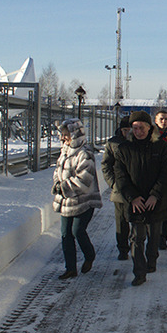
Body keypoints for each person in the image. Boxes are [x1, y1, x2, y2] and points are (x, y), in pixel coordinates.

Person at [113, 111, 167, 286]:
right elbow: (120, 177)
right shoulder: (124, 149)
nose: (139, 131)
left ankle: (151, 260)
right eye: (135, 128)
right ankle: (139, 272)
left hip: (155, 201)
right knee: (136, 237)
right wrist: (132, 197)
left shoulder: (160, 147)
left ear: (150, 128)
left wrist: (155, 194)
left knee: (154, 235)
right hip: (135, 202)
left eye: (142, 127)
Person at [52, 118, 103, 279]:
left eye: (66, 135)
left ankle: (89, 255)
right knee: (65, 234)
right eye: (63, 135)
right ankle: (70, 268)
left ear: (75, 135)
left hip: (84, 201)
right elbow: (57, 171)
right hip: (67, 201)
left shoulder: (84, 153)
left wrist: (64, 187)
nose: (63, 138)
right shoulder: (64, 151)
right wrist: (57, 184)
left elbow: (84, 179)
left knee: (77, 231)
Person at [100, 116, 132, 260]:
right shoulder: (113, 143)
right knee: (121, 220)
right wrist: (112, 183)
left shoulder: (139, 141)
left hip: (137, 187)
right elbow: (106, 164)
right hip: (119, 189)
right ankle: (123, 249)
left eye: (130, 129)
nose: (129, 132)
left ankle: (136, 245)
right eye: (126, 130)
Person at [153, 109, 167, 250]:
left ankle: (163, 237)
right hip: (152, 177)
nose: (164, 121)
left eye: (166, 119)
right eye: (161, 119)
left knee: (166, 208)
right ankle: (153, 236)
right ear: (155, 121)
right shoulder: (151, 136)